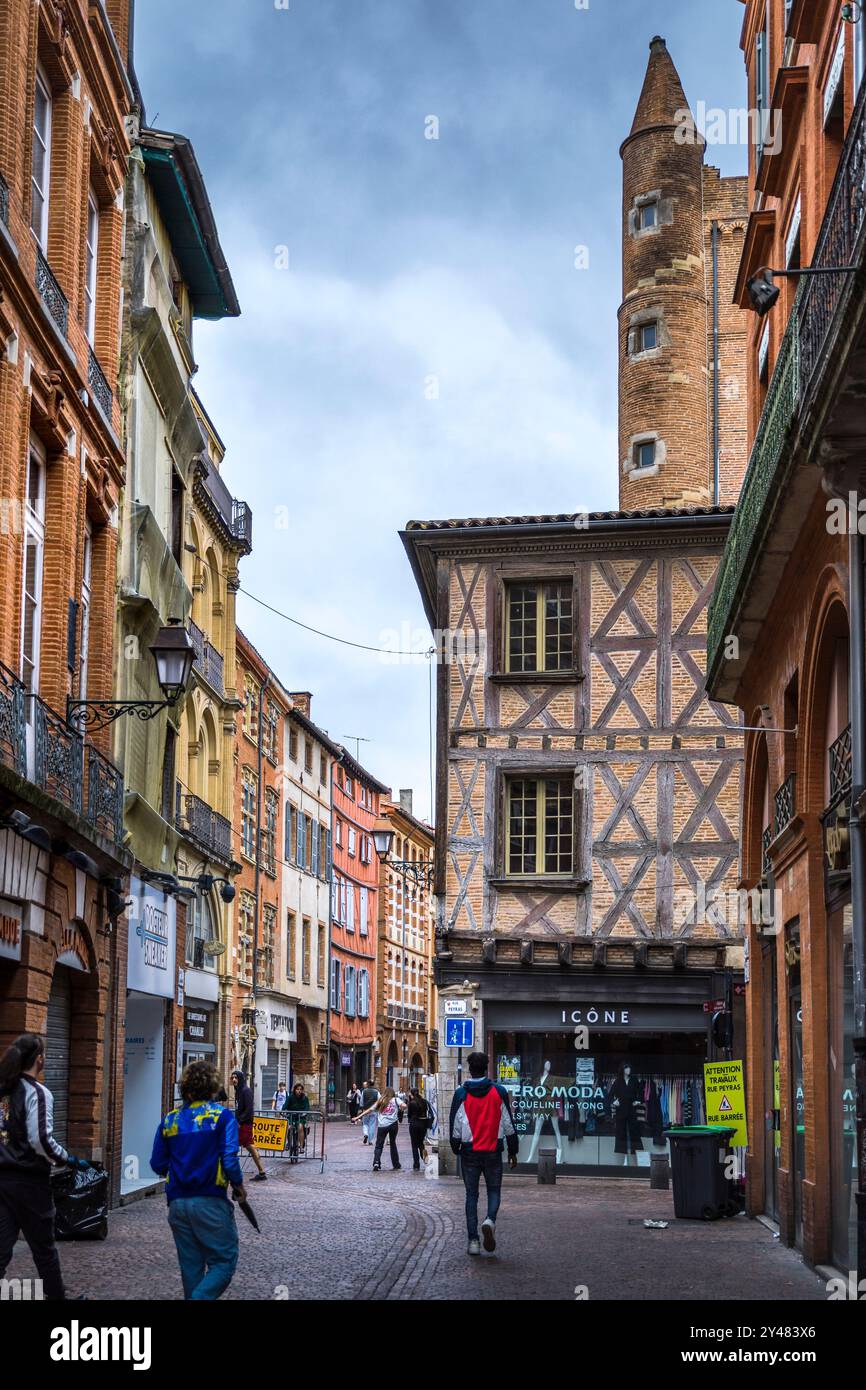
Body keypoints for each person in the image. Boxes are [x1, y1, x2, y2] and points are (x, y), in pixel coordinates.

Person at [0, 1032, 88, 1301]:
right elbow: (41, 1140)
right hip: (30, 1181)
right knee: (44, 1248)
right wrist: (67, 1159)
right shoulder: (38, 1092)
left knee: (2, 1246)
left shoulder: (4, 1092)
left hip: (2, 1180)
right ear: (39, 1060)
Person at [151, 1061, 246, 1301]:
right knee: (224, 1261)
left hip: (177, 1204)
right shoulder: (222, 1117)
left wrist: (179, 1170)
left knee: (191, 1269)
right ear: (213, 1086)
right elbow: (229, 1159)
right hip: (209, 1200)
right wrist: (238, 1186)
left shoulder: (170, 1121)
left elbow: (157, 1163)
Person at [449, 1051, 519, 1256]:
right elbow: (508, 1124)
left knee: (471, 1195)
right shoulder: (499, 1091)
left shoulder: (461, 1093)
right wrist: (513, 1150)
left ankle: (473, 1241)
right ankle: (490, 1220)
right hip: (493, 1150)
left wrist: (455, 1147)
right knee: (494, 1191)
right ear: (487, 1068)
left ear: (470, 1069)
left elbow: (455, 1125)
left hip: (469, 1151)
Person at [353, 1087, 405, 1171]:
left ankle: (376, 1162)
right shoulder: (396, 1099)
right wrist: (402, 1108)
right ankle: (396, 1164)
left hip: (382, 1125)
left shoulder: (381, 1101)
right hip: (393, 1125)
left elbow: (369, 1110)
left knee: (379, 1145)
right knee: (393, 1143)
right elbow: (404, 1105)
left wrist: (358, 1117)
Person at [231, 1069, 266, 1181]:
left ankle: (261, 1172)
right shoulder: (238, 1091)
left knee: (247, 1145)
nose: (234, 1080)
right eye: (233, 1078)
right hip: (241, 1123)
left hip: (245, 1124)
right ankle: (261, 1172)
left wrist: (240, 1121)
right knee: (248, 1146)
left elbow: (249, 1110)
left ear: (240, 1079)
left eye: (236, 1078)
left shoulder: (246, 1091)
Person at [406, 1087, 433, 1171]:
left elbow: (409, 1115)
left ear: (412, 1093)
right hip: (423, 1124)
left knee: (414, 1145)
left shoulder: (412, 1103)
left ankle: (416, 1164)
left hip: (414, 1124)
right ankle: (426, 1159)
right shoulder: (424, 1101)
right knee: (421, 1143)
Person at [283, 1083, 311, 1154]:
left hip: (300, 1117)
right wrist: (283, 1111)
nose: (299, 1091)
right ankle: (289, 1143)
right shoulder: (290, 1097)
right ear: (294, 1090)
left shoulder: (305, 1098)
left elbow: (307, 1108)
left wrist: (304, 1113)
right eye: (297, 1089)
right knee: (289, 1127)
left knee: (300, 1127)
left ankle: (301, 1147)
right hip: (291, 1116)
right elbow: (285, 1106)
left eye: (300, 1089)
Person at [359, 1079, 380, 1146]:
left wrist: (362, 1107)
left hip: (365, 1110)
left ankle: (365, 1134)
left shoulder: (364, 1091)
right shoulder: (377, 1092)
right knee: (372, 1125)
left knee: (365, 1123)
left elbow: (361, 1101)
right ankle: (370, 1140)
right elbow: (379, 1101)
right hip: (374, 1111)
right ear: (373, 1084)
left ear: (368, 1084)